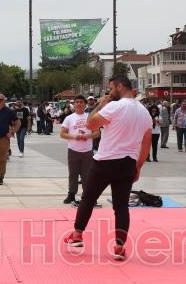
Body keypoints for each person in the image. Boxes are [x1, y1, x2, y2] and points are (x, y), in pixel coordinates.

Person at [64, 76, 152, 261]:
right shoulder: (144, 112)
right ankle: (119, 245)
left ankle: (78, 234)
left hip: (106, 160)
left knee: (88, 198)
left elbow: (90, 124)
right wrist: (138, 166)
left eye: (111, 88)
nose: (109, 91)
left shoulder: (114, 106)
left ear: (119, 86)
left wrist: (100, 105)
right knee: (121, 206)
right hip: (128, 162)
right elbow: (146, 144)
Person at [60, 96, 99, 206]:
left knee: (87, 175)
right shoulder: (69, 118)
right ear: (74, 104)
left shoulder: (90, 117)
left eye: (81, 102)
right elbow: (62, 134)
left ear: (85, 104)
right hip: (73, 150)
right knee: (73, 174)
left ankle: (88, 196)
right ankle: (71, 194)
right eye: (77, 102)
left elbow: (97, 132)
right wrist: (74, 136)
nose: (79, 104)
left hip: (87, 150)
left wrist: (88, 135)